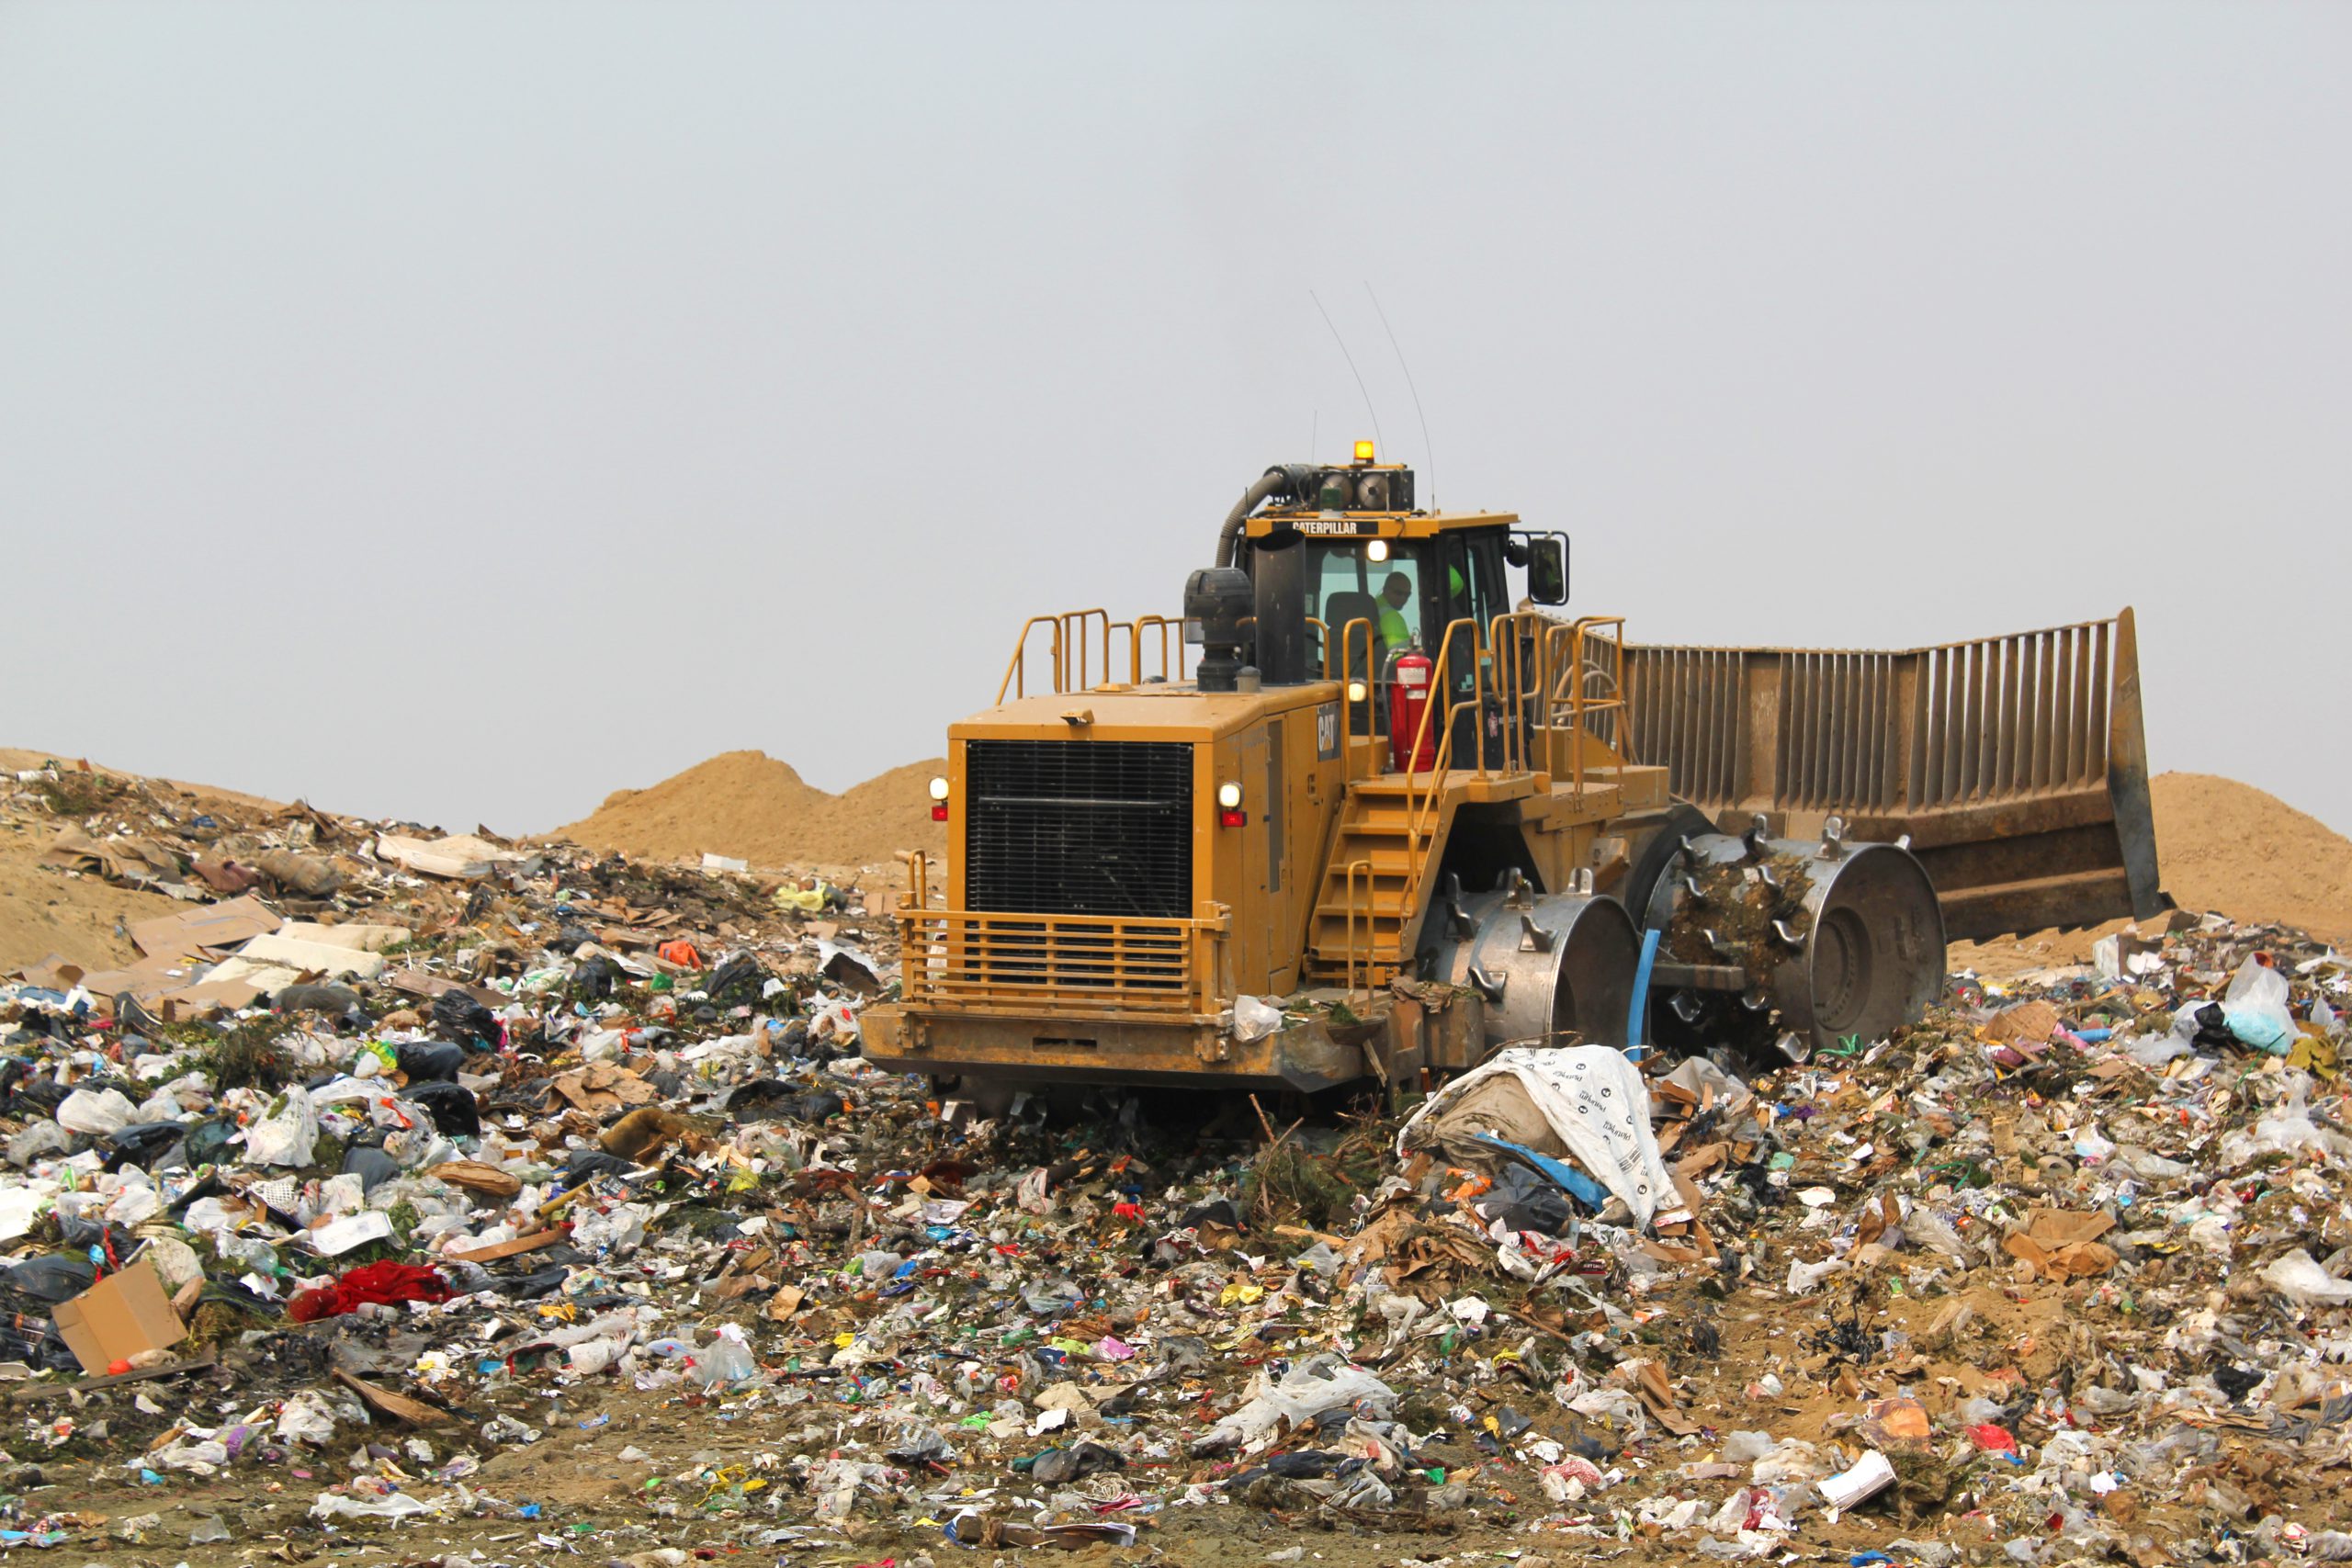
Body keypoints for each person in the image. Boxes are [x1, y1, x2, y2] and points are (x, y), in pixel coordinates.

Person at [1376, 571, 1416, 655]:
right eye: (1398, 593)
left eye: (1407, 595)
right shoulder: (1392, 617)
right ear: (1385, 590)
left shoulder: (1374, 606)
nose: (1403, 598)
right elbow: (1400, 656)